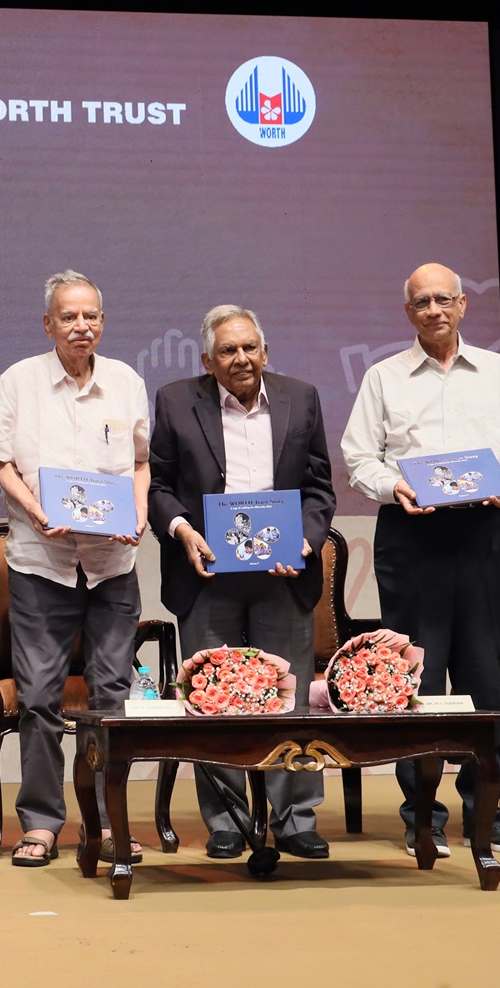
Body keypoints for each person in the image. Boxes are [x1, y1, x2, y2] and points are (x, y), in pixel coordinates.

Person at [341, 262, 500, 857]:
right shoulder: (384, 376)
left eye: (444, 300)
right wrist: (393, 488)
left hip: (481, 530)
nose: (434, 310)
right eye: (422, 302)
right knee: (418, 676)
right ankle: (421, 818)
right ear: (409, 313)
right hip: (412, 534)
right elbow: (360, 457)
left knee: (483, 673)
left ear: (462, 306)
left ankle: (492, 817)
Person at [147, 305, 336, 860]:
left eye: (250, 348)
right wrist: (182, 530)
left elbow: (320, 487)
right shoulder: (177, 400)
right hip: (207, 575)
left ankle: (296, 818)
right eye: (228, 351)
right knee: (214, 698)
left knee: (291, 697)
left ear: (266, 351)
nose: (241, 359)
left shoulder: (301, 397)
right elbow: (159, 486)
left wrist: (304, 539)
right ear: (208, 360)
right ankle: (227, 819)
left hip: (284, 574)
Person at [0, 270, 149, 866]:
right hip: (42, 561)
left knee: (111, 695)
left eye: (91, 317)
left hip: (113, 562)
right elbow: (3, 463)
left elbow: (139, 462)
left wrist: (136, 512)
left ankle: (107, 820)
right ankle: (41, 822)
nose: (81, 326)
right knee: (38, 697)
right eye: (69, 317)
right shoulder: (19, 381)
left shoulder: (127, 382)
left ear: (101, 323)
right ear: (48, 324)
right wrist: (35, 513)